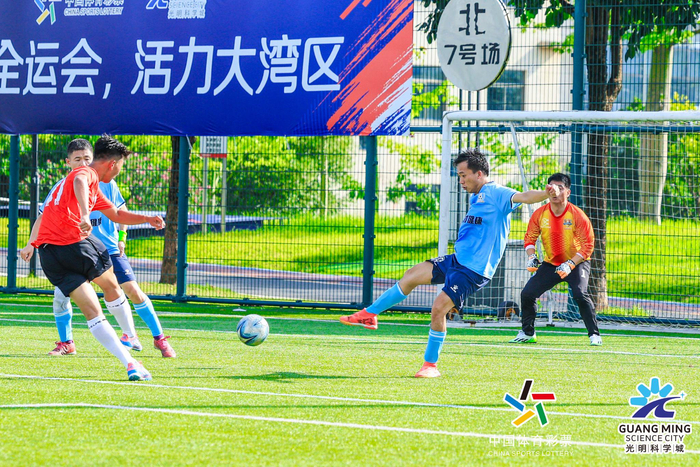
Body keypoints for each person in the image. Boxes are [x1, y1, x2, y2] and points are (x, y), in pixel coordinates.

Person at [340, 148, 560, 378]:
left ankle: (430, 366)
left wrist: (546, 193)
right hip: (457, 260)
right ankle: (370, 314)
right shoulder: (477, 196)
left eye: (463, 175)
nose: (461, 181)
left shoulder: (496, 193)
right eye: (459, 176)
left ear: (479, 174)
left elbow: (524, 196)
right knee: (411, 275)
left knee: (438, 309)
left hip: (473, 270)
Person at [20, 136, 165, 380]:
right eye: (121, 166)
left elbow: (117, 214)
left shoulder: (85, 185)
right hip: (76, 246)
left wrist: (147, 219)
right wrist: (86, 215)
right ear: (112, 163)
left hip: (50, 255)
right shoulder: (86, 174)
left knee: (93, 312)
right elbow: (80, 180)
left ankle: (130, 363)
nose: (119, 171)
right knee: (113, 287)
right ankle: (130, 334)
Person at [508, 173, 601, 346]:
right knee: (527, 294)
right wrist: (531, 256)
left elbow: (588, 245)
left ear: (568, 192)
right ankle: (528, 333)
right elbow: (530, 238)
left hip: (577, 263)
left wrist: (570, 264)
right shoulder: (540, 214)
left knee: (580, 294)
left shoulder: (577, 215)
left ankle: (594, 335)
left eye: (560, 188)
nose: (555, 191)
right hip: (551, 263)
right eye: (552, 187)